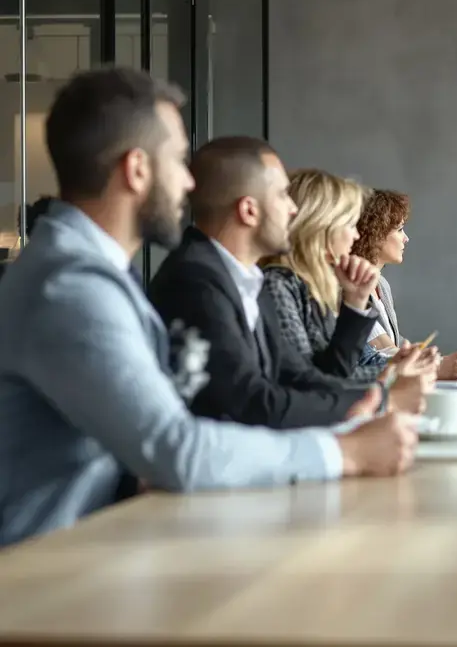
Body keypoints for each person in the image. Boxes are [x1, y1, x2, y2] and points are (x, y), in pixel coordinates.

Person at [0, 67, 419, 546]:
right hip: (55, 564)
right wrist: (343, 452)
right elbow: (177, 447)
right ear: (136, 170)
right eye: (179, 161)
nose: (189, 183)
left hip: (107, 542)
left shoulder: (89, 270)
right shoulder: (72, 286)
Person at [149, 137, 436, 429]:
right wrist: (384, 398)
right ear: (249, 210)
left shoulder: (243, 279)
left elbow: (302, 377)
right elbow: (254, 403)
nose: (293, 210)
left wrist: (385, 384)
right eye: (281, 195)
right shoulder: (197, 281)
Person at [260, 168, 390, 382]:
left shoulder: (317, 286)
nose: (356, 235)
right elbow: (311, 380)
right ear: (321, 226)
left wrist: (356, 301)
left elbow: (338, 368)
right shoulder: (277, 284)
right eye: (350, 224)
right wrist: (394, 374)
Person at [351, 187, 457, 380]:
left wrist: (429, 357)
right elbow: (381, 348)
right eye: (399, 229)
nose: (406, 238)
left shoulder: (382, 284)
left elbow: (394, 344)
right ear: (375, 232)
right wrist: (436, 365)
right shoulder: (349, 287)